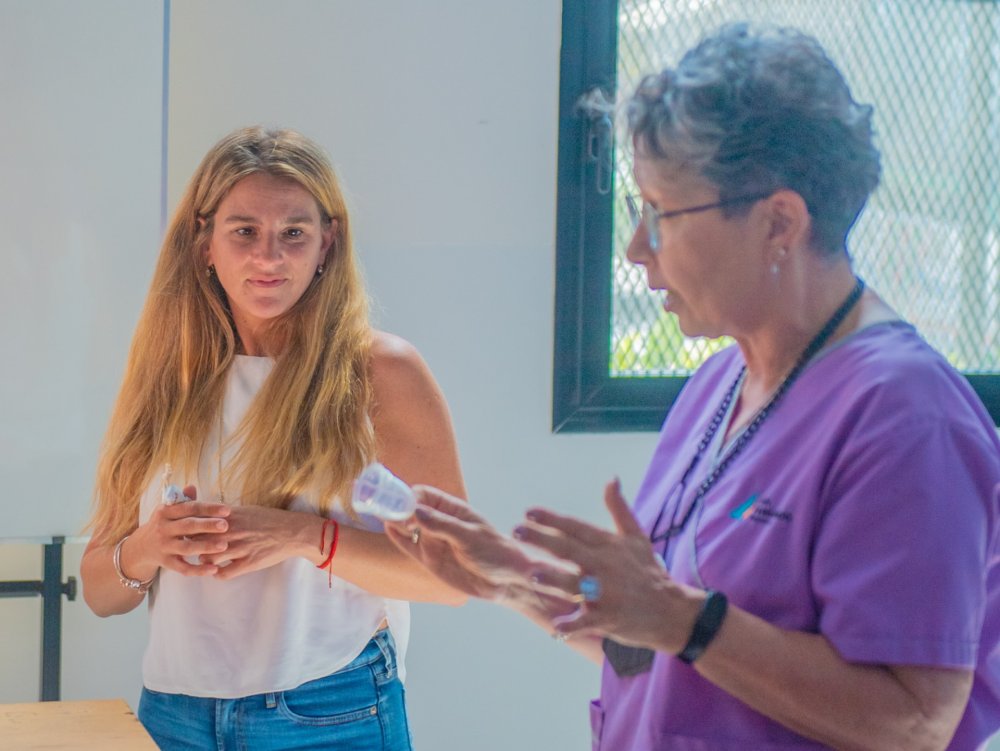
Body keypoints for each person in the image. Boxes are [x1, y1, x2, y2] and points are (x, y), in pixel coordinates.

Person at [385, 23, 1000, 751]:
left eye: (660, 214)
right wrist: (508, 576)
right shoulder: (720, 382)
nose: (636, 249)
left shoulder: (906, 419)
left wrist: (683, 619)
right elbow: (650, 641)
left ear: (780, 222)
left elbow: (915, 720)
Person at [80, 126, 467, 750]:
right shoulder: (168, 377)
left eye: (293, 233)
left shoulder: (380, 374)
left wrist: (300, 537)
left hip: (330, 712)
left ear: (326, 244)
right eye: (244, 232)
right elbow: (100, 591)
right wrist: (149, 546)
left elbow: (452, 578)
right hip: (175, 719)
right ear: (204, 244)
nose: (269, 257)